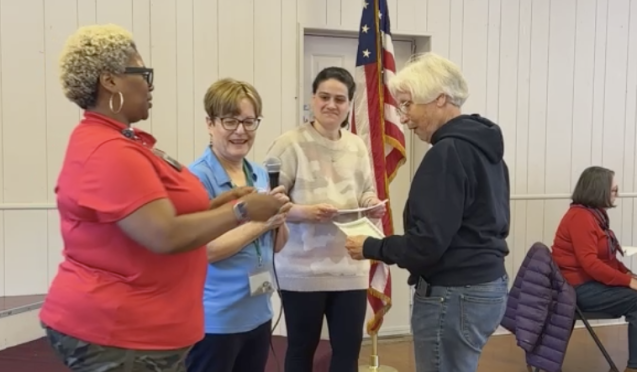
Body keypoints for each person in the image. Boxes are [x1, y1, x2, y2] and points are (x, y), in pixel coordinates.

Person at [39, 24, 289, 372]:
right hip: (119, 330)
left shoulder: (125, 141)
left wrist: (221, 203)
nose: (150, 84)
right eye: (142, 73)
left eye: (250, 122)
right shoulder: (108, 150)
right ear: (110, 81)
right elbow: (163, 233)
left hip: (149, 327)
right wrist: (242, 210)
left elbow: (165, 214)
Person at [345, 52, 510, 372]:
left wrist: (371, 246)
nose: (404, 117)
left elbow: (426, 245)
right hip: (488, 286)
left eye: (407, 104)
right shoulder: (486, 149)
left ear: (440, 99)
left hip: (453, 294)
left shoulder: (448, 153)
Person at [264, 66, 385, 372]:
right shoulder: (289, 143)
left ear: (349, 105)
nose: (331, 104)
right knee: (301, 350)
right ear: (312, 99)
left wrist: (372, 205)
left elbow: (366, 192)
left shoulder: (357, 145)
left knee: (347, 354)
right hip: (301, 267)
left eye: (340, 99)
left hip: (349, 264)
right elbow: (266, 205)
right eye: (324, 97)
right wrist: (307, 212)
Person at [185, 78, 290, 372]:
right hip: (215, 319)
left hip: (257, 311)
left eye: (249, 121)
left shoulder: (259, 173)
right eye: (230, 121)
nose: (241, 131)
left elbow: (278, 246)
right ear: (210, 123)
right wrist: (261, 222)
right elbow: (206, 250)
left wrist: (280, 215)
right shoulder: (196, 180)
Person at [551, 166, 637, 372]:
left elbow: (606, 258)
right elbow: (591, 264)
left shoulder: (593, 216)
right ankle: (634, 367)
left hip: (584, 284)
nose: (617, 193)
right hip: (577, 290)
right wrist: (628, 281)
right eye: (614, 189)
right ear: (598, 190)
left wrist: (627, 273)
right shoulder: (581, 218)